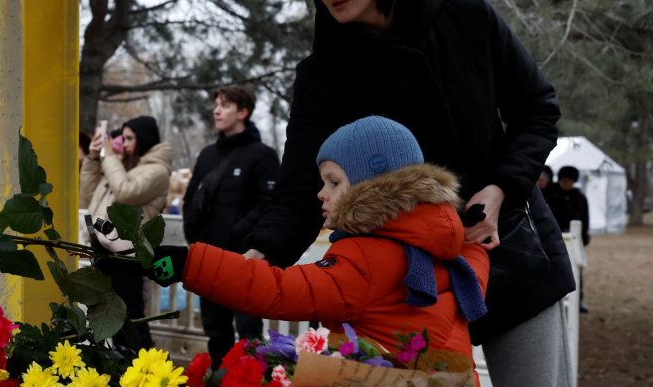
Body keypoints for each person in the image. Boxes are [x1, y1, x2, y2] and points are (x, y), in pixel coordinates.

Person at [239, 0, 579, 387]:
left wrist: (499, 188)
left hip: (509, 248)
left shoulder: (466, 17)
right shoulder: (323, 72)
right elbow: (300, 187)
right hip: (402, 292)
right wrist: (258, 252)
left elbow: (537, 110)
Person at [151, 116, 488, 367]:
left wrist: (189, 263)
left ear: (371, 188)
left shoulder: (368, 258)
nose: (320, 193)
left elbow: (280, 291)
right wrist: (473, 241)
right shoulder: (446, 249)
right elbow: (477, 271)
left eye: (334, 181)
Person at [182, 85, 280, 368]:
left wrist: (236, 234)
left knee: (249, 333)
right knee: (215, 331)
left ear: (243, 112)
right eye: (216, 104)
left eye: (224, 105)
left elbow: (269, 204)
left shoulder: (263, 155)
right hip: (208, 259)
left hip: (245, 260)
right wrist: (193, 233)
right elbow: (190, 198)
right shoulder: (208, 155)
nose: (216, 110)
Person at [80, 115, 171, 348]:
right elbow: (88, 196)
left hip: (127, 253)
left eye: (130, 138)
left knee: (129, 317)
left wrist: (110, 157)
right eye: (123, 137)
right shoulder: (123, 166)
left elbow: (125, 191)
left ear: (145, 140)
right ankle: (122, 369)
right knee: (109, 317)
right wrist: (93, 158)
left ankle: (144, 367)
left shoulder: (156, 171)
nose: (125, 143)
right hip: (104, 248)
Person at [548, 165, 591, 313]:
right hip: (554, 240)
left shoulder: (579, 197)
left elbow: (584, 219)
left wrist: (583, 239)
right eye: (565, 180)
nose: (567, 184)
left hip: (574, 240)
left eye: (570, 181)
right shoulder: (550, 194)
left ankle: (579, 299)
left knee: (576, 270)